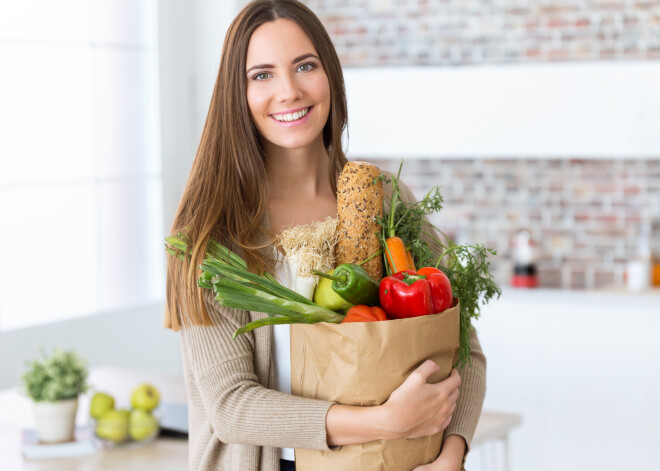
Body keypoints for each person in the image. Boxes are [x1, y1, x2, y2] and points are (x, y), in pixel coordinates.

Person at [164, 1, 486, 470]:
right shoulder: (212, 231)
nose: (289, 91)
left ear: (330, 75)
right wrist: (386, 422)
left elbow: (463, 348)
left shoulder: (388, 201)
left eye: (305, 66)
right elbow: (231, 407)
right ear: (237, 92)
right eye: (262, 75)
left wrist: (451, 454)